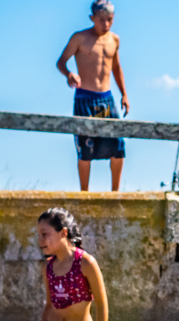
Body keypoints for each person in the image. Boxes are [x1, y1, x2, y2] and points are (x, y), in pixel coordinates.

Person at [56, 0, 129, 192]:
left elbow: (116, 68)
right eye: (101, 20)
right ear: (92, 18)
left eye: (110, 20)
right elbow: (61, 62)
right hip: (85, 98)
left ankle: (115, 193)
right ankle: (84, 193)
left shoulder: (114, 39)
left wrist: (124, 95)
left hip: (107, 98)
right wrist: (69, 74)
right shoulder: (79, 38)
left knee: (118, 145)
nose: (106, 24)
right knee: (85, 147)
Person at [31, 208, 113, 321]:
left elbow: (102, 305)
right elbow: (49, 306)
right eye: (38, 235)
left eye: (44, 234)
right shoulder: (47, 267)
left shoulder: (86, 263)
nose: (40, 240)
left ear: (63, 233)